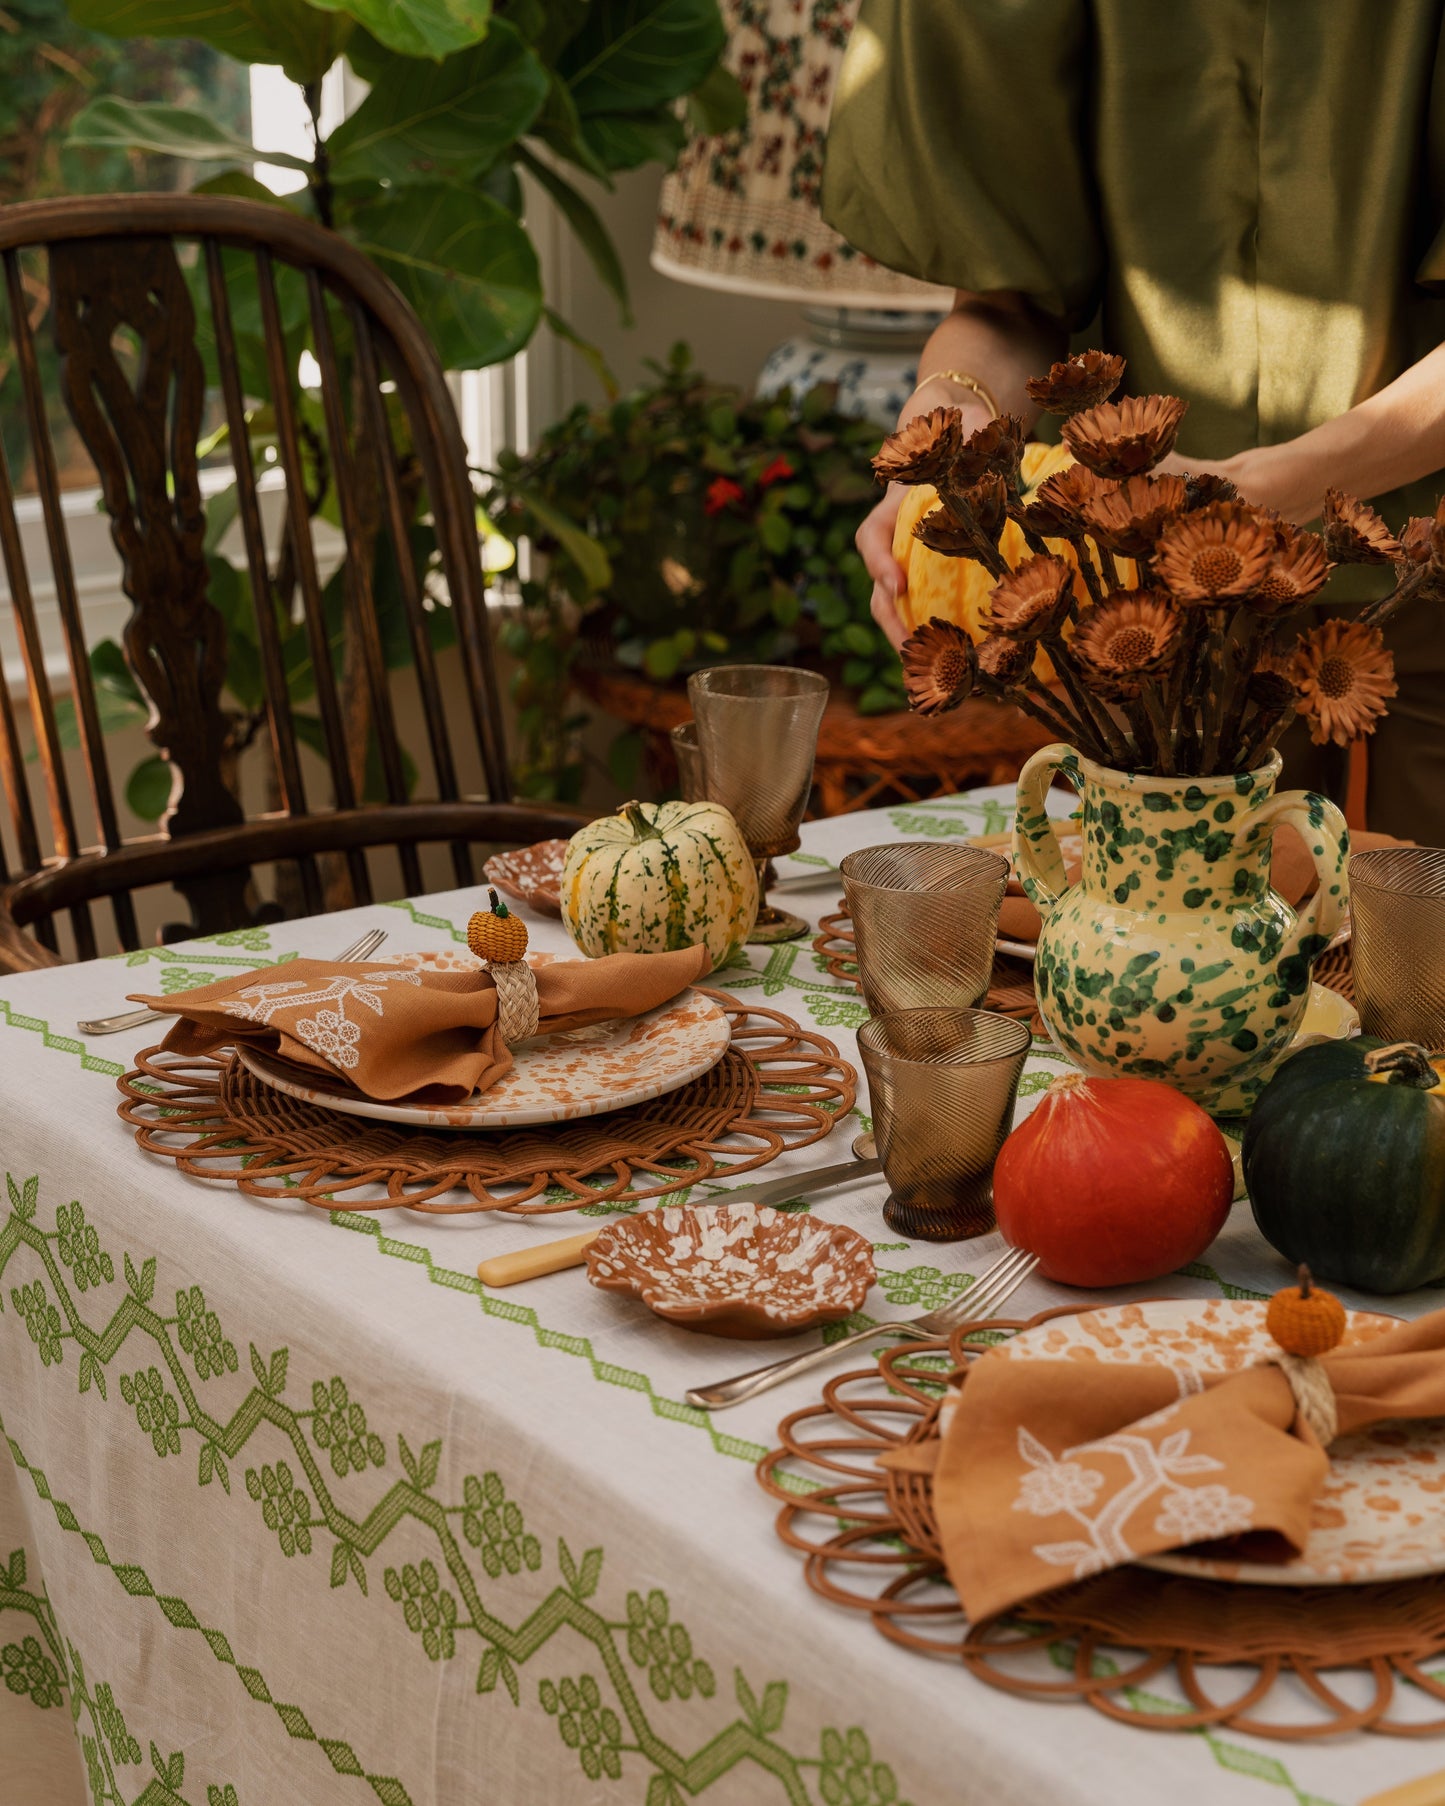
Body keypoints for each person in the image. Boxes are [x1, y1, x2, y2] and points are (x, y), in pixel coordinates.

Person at [821, 0, 1445, 839]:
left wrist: (1285, 486)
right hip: (1155, 637)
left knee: (1420, 957)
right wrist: (948, 417)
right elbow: (1009, 301)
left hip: (1428, 577)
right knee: (1183, 953)